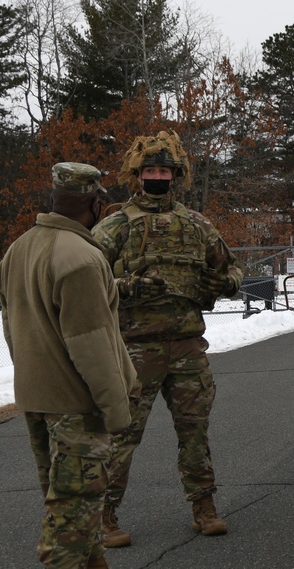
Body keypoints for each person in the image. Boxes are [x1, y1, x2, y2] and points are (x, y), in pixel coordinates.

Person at [0, 162, 138, 569]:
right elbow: (91, 340)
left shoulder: (17, 250)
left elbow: (9, 326)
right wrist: (116, 406)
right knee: (75, 495)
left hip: (37, 392)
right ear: (94, 203)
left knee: (71, 491)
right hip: (76, 399)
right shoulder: (79, 256)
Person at [92, 130, 243, 544]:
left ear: (176, 176)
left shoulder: (196, 225)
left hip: (188, 345)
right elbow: (87, 280)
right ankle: (104, 515)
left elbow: (232, 270)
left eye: (165, 171)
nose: (158, 177)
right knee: (123, 434)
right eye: (150, 171)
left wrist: (224, 283)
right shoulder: (115, 226)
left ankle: (204, 506)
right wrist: (126, 286)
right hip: (136, 348)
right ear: (136, 175)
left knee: (194, 431)